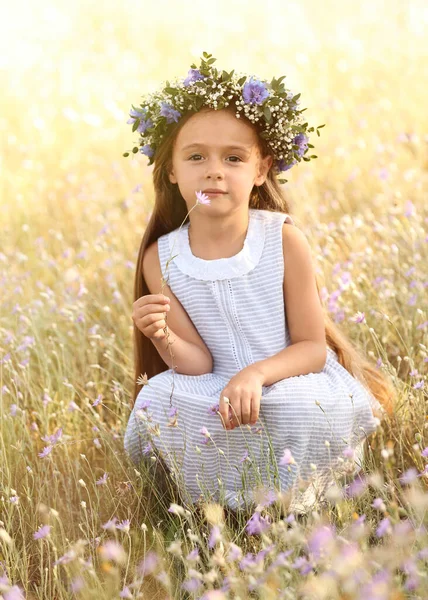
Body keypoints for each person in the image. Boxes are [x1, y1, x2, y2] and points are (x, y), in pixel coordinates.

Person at [123, 53, 396, 514]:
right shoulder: (162, 258)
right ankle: (211, 507)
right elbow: (197, 362)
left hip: (289, 378)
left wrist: (254, 375)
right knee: (155, 399)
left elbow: (312, 348)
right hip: (214, 387)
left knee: (290, 409)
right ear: (171, 169)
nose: (214, 170)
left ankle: (291, 506)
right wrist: (162, 334)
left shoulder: (283, 239)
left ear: (261, 169)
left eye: (233, 158)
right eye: (196, 157)